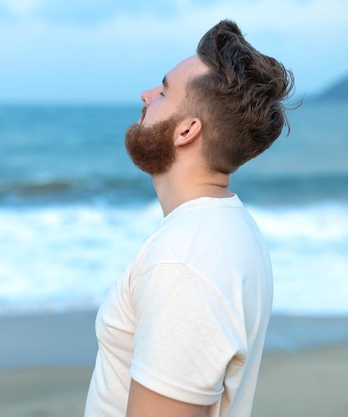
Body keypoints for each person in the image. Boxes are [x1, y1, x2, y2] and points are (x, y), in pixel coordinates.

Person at [85, 19, 294, 417]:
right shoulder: (230, 227)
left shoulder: (184, 260)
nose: (145, 95)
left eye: (163, 91)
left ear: (187, 131)